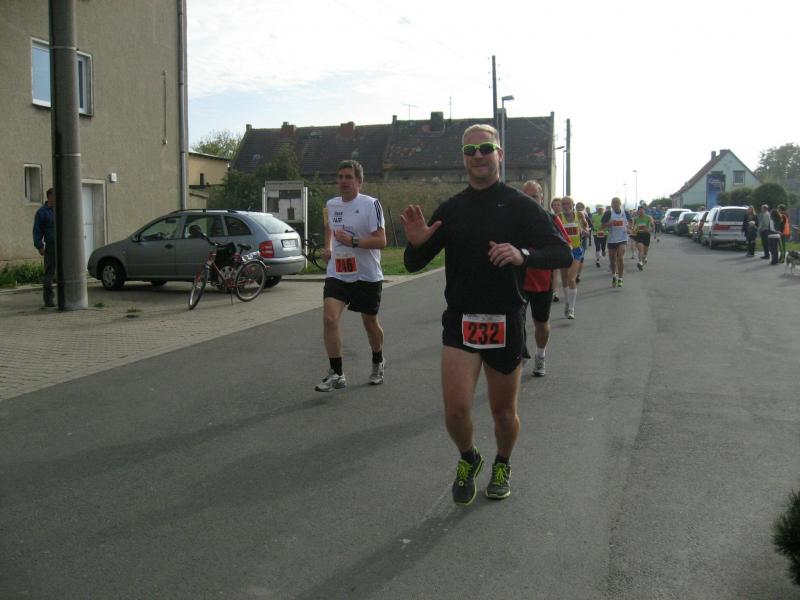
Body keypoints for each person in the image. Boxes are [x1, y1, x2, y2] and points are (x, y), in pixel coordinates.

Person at [401, 124, 571, 505]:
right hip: (461, 320)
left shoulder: (521, 206)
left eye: (485, 148)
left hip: (504, 319)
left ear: (499, 154)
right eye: (470, 150)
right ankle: (469, 457)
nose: (478, 155)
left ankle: (502, 463)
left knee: (503, 412)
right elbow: (413, 264)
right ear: (463, 158)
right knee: (456, 410)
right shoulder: (452, 209)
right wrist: (416, 244)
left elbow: (561, 251)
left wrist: (522, 255)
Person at [315, 160, 387, 392]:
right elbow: (329, 228)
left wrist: (354, 241)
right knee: (329, 318)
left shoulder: (371, 204)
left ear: (359, 181)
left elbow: (382, 241)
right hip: (338, 272)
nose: (344, 181)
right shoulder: (331, 204)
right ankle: (337, 373)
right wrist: (328, 247)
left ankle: (378, 360)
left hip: (366, 275)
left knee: (369, 322)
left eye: (349, 177)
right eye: (340, 177)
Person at [521, 180, 570, 377]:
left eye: (534, 196)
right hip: (518, 280)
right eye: (526, 196)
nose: (530, 200)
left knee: (541, 322)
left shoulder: (551, 219)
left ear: (542, 198)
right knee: (515, 320)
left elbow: (565, 248)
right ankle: (520, 353)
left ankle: (540, 355)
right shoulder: (513, 219)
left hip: (542, 281)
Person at [558, 197, 588, 319]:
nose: (566, 206)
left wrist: (585, 230)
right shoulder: (558, 217)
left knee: (571, 279)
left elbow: (586, 225)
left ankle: (571, 308)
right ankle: (567, 301)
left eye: (568, 203)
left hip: (576, 250)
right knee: (564, 280)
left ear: (572, 204)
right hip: (563, 251)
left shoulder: (579, 215)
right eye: (563, 204)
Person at [32, 187, 56, 307]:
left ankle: (66, 296)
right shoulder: (42, 212)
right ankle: (48, 300)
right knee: (49, 273)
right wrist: (40, 246)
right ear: (50, 197)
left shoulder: (61, 209)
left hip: (63, 245)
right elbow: (37, 230)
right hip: (51, 246)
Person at [601, 197, 630, 288]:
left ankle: (620, 278)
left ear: (620, 204)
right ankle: (614, 275)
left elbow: (630, 222)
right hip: (612, 240)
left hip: (623, 238)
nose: (615, 204)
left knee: (620, 258)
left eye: (616, 202)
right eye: (613, 202)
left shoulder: (625, 212)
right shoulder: (608, 213)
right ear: (611, 204)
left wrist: (629, 229)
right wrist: (609, 224)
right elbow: (602, 226)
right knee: (612, 260)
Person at [549, 197, 564, 303]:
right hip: (552, 245)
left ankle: (565, 290)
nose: (556, 207)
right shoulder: (549, 217)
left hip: (564, 246)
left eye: (559, 205)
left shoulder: (566, 217)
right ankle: (554, 292)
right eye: (554, 205)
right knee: (554, 270)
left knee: (560, 272)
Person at [632, 204, 654, 270]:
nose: (641, 211)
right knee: (640, 249)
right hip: (639, 235)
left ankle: (644, 257)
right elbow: (632, 227)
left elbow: (653, 226)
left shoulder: (648, 217)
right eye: (639, 210)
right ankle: (640, 262)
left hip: (646, 235)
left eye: (642, 210)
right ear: (638, 211)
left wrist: (649, 230)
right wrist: (634, 230)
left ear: (644, 211)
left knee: (645, 251)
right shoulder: (635, 219)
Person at [575, 201, 591, 283]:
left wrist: (586, 231)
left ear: (583, 208)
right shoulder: (572, 215)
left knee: (581, 257)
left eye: (580, 207)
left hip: (583, 239)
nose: (578, 208)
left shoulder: (585, 216)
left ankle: (578, 275)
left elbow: (589, 227)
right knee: (574, 258)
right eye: (577, 207)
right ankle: (574, 273)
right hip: (573, 239)